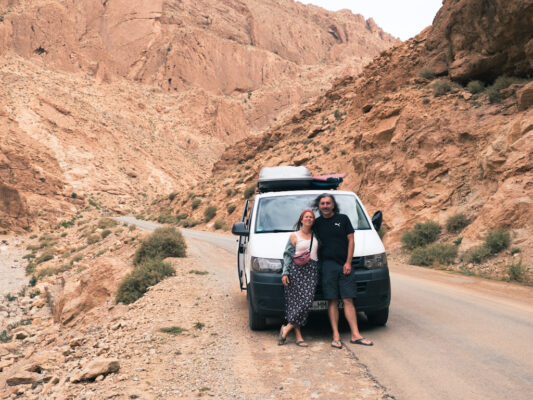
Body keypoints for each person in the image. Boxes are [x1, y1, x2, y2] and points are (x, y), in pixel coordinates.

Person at [313, 194, 373, 349]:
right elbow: (306, 235)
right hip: (327, 266)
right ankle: (336, 336)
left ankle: (355, 335)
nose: (325, 206)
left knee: (348, 299)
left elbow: (351, 240)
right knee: (331, 300)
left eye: (328, 203)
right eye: (322, 203)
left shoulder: (343, 219)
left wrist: (348, 262)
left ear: (333, 205)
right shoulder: (317, 223)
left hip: (344, 265)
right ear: (319, 206)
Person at [278, 209, 319, 347]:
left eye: (311, 217)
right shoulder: (294, 236)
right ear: (301, 220)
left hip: (311, 271)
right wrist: (285, 273)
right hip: (297, 271)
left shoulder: (316, 235)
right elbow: (288, 255)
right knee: (296, 304)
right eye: (306, 217)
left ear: (313, 220)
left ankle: (286, 328)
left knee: (306, 302)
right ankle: (299, 337)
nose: (309, 219)